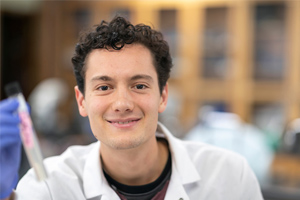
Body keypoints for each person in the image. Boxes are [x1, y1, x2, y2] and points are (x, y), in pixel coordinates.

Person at [0, 16, 263, 200]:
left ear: (163, 95)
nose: (123, 104)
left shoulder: (229, 175)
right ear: (82, 101)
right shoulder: (49, 185)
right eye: (104, 87)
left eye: (139, 85)